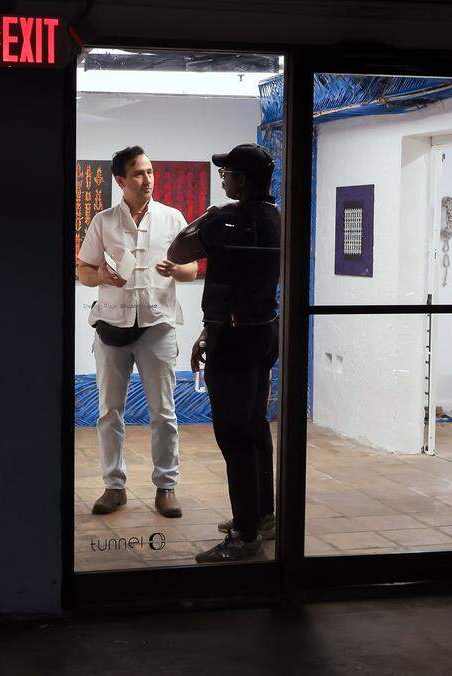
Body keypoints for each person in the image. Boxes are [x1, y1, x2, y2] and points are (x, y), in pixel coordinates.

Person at [167, 143, 281, 562]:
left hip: (232, 342)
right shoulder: (275, 218)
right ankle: (263, 515)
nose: (223, 179)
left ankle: (245, 535)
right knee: (253, 426)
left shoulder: (225, 220)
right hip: (260, 332)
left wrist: (213, 215)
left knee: (233, 436)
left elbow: (178, 250)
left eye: (227, 174)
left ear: (243, 181)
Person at [77, 145, 198, 518]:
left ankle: (166, 487)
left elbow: (193, 267)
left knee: (163, 411)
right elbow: (82, 271)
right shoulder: (103, 221)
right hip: (112, 326)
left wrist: (177, 271)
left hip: (158, 327)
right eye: (139, 174)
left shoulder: (173, 218)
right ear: (120, 180)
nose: (147, 180)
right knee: (109, 411)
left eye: (150, 172)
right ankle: (114, 487)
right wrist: (100, 275)